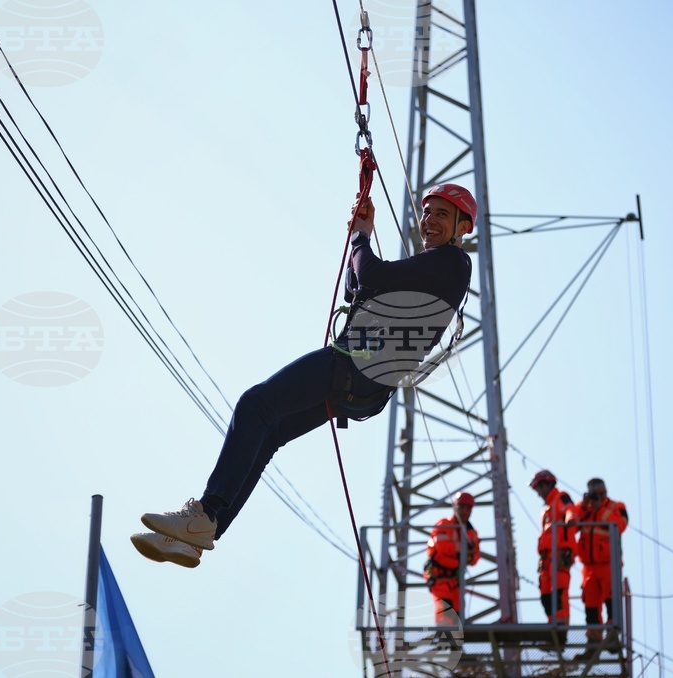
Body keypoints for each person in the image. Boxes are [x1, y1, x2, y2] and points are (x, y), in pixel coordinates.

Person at [131, 184, 476, 567]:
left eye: (442, 215)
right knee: (271, 433)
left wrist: (362, 235)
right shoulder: (431, 269)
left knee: (255, 405)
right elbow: (358, 284)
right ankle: (201, 536)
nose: (429, 221)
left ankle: (204, 514)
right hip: (365, 384)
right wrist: (360, 242)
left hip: (354, 366)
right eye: (427, 213)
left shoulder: (452, 262)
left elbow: (373, 275)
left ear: (464, 226)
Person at [574, 477, 628, 657]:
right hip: (588, 567)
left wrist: (600, 508)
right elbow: (572, 523)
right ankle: (593, 642)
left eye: (599, 492)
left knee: (611, 600)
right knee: (590, 605)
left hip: (608, 564)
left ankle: (613, 638)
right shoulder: (584, 509)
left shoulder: (615, 506)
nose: (596, 495)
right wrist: (584, 506)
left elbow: (620, 525)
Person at [530, 470, 579, 625]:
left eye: (539, 488)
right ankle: (553, 625)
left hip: (560, 554)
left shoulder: (560, 497)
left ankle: (561, 628)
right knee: (546, 596)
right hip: (546, 559)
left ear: (547, 484)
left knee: (559, 591)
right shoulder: (546, 510)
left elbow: (570, 509)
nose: (538, 493)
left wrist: (571, 518)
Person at [423, 492, 481, 626]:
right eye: (462, 507)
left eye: (468, 508)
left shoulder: (471, 533)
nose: (465, 511)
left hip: (456, 581)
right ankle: (443, 641)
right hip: (439, 577)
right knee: (445, 610)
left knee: (458, 615)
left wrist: (468, 553)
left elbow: (475, 557)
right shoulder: (444, 524)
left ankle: (454, 645)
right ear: (455, 507)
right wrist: (463, 548)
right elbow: (442, 547)